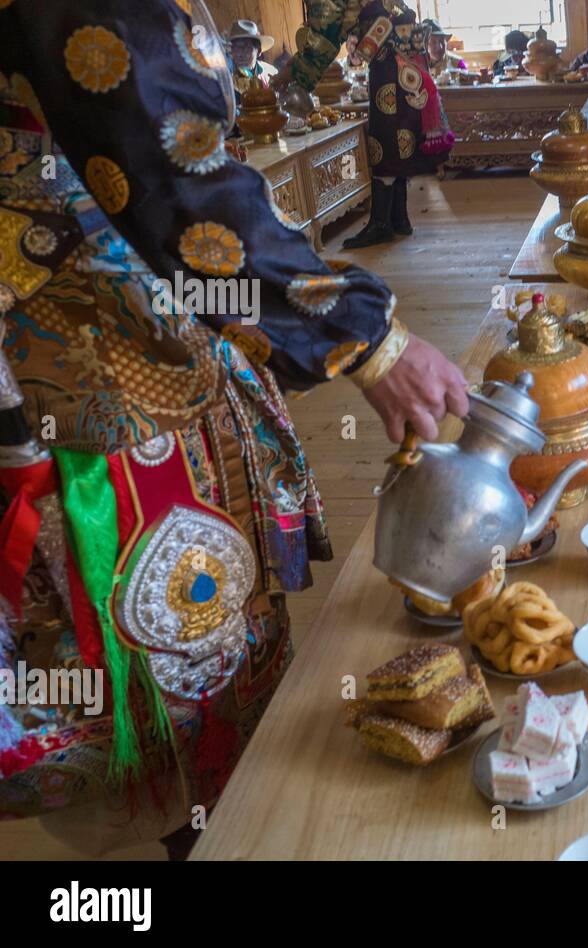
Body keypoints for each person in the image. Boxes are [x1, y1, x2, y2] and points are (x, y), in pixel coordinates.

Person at [0, 0, 467, 857]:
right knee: (158, 650)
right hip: (92, 354)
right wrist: (367, 339)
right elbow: (172, 163)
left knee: (189, 642)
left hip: (128, 321)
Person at [285, 2, 454, 249]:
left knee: (385, 143)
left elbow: (328, 28)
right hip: (406, 70)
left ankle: (381, 224)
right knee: (398, 141)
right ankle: (399, 217)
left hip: (389, 70)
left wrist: (297, 71)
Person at [226, 18, 278, 97]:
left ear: (259, 51)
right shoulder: (226, 78)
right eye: (236, 48)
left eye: (246, 48)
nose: (240, 54)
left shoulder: (270, 73)